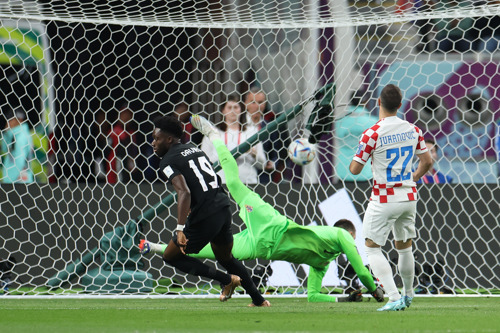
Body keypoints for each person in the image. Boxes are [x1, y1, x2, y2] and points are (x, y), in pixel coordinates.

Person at [140, 114, 385, 304]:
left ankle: (165, 252)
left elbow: (313, 296)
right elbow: (358, 272)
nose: (352, 243)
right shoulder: (339, 238)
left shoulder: (323, 261)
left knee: (203, 253)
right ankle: (214, 135)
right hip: (264, 223)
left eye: (155, 138)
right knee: (230, 200)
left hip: (262, 241)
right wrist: (373, 290)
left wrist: (347, 297)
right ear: (351, 234)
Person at [149, 115, 269, 307]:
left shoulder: (167, 161)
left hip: (206, 214)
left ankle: (226, 280)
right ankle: (259, 300)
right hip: (222, 206)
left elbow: (184, 192)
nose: (153, 143)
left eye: (157, 138)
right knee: (226, 257)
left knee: (171, 255)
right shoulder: (193, 149)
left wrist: (180, 228)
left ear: (169, 139)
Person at [349, 84, 433, 311]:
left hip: (384, 197)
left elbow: (355, 169)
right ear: (400, 104)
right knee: (405, 247)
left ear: (378, 103)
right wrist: (413, 177)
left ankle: (394, 297)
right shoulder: (414, 130)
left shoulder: (372, 133)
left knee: (371, 247)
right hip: (408, 196)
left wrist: (361, 154)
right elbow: (427, 162)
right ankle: (408, 294)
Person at [201, 95, 267, 184]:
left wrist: (254, 154)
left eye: (236, 107)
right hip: (222, 183)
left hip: (248, 182)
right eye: (229, 107)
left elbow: (263, 164)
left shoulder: (251, 132)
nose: (233, 111)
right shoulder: (212, 133)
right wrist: (224, 156)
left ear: (241, 110)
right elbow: (203, 163)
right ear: (223, 110)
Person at [244, 87, 290, 183]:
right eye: (253, 102)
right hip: (243, 175)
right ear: (246, 103)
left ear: (265, 104)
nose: (257, 106)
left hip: (263, 178)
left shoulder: (270, 127)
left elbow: (276, 151)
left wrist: (273, 163)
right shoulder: (239, 125)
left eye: (260, 102)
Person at [335, 90, 378, 182]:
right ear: (365, 102)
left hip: (343, 174)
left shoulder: (339, 121)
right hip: (366, 174)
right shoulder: (374, 122)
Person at [106, 106, 139, 183]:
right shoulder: (114, 131)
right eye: (123, 114)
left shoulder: (131, 133)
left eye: (128, 115)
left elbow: (134, 149)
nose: (126, 117)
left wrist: (133, 161)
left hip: (128, 163)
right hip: (115, 162)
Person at [1, 108, 34, 183]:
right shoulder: (16, 135)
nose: (8, 122)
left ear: (18, 120)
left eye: (10, 120)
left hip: (17, 180)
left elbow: (19, 160)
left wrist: (9, 180)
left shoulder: (20, 137)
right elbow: (4, 149)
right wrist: (6, 134)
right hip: (20, 179)